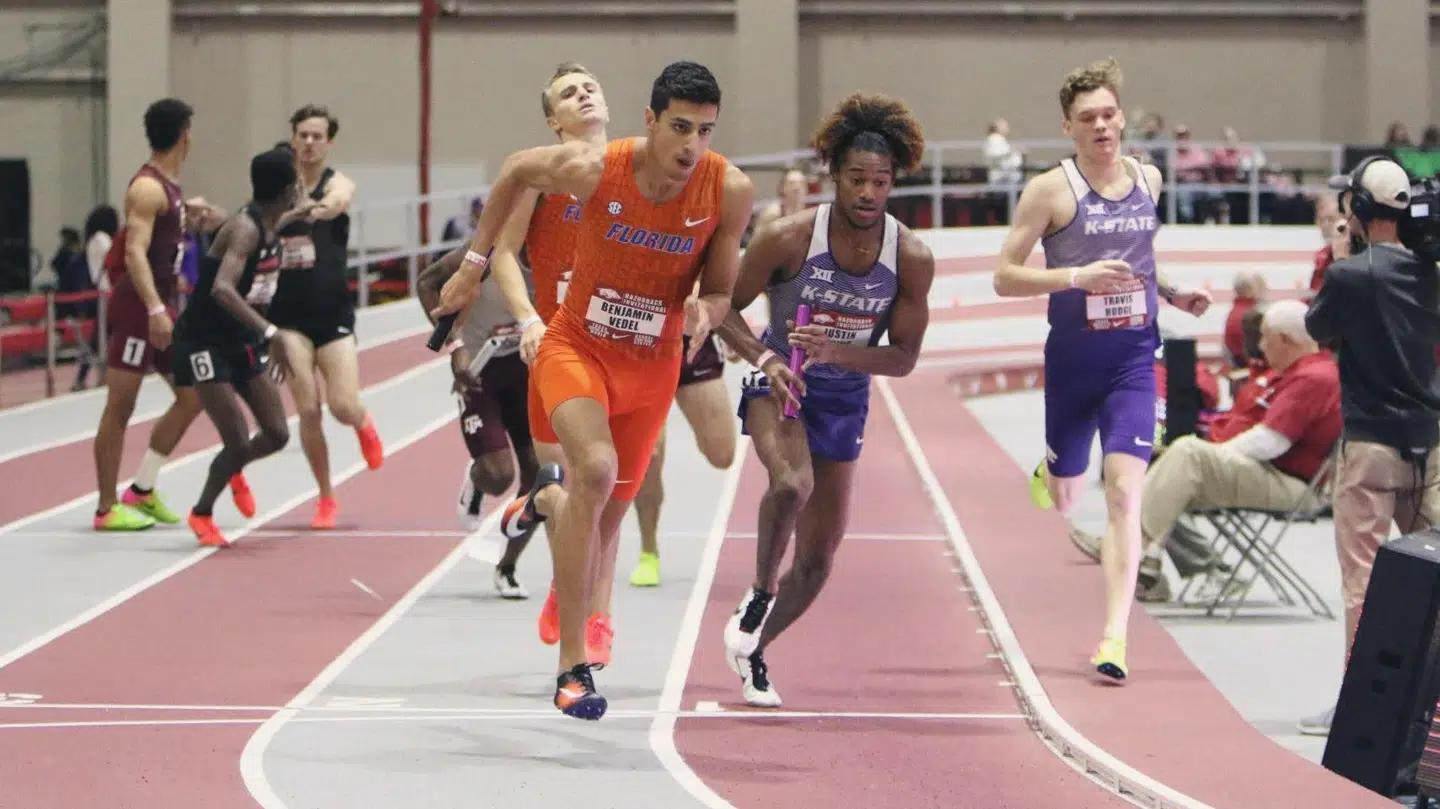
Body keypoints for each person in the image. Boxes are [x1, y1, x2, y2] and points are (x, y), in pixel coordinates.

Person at [433, 60, 754, 720]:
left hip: (654, 361)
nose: (692, 144)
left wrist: (707, 311)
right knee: (597, 471)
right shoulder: (593, 169)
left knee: (603, 510)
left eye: (705, 130)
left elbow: (721, 288)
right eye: (680, 127)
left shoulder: (727, 190)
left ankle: (544, 505)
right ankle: (574, 666)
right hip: (573, 344)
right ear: (650, 121)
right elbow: (518, 169)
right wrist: (472, 272)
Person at [991, 57, 1211, 681]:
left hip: (1134, 362)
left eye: (1110, 114)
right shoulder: (1049, 191)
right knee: (1065, 490)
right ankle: (1055, 463)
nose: (1102, 126)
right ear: (1069, 127)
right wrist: (1073, 277)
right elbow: (1004, 276)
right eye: (1087, 118)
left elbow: (1139, 259)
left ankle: (1114, 635)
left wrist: (1171, 293)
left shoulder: (1150, 179)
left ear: (1123, 117)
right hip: (1072, 362)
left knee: (1123, 492)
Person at [714, 92, 934, 708]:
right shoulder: (786, 238)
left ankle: (755, 645)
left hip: (843, 395)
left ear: (895, 183)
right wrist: (768, 358)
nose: (868, 192)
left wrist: (838, 354)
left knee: (817, 561)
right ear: (832, 175)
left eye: (881, 182)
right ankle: (759, 591)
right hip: (779, 379)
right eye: (857, 179)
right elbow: (721, 308)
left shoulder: (910, 258)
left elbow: (904, 358)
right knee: (791, 485)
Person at [1298, 156, 1440, 737]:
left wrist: (1338, 258)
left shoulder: (1352, 275)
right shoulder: (1429, 271)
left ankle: (1362, 706)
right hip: (1429, 446)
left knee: (1363, 582)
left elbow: (1317, 329)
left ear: (1357, 209)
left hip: (1371, 450)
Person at [91, 98, 252, 531]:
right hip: (139, 310)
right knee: (120, 407)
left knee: (193, 395)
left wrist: (188, 218)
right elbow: (134, 253)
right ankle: (106, 509)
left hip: (162, 308)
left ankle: (141, 489)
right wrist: (155, 308)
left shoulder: (170, 188)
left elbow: (164, 239)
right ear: (185, 135)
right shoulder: (147, 188)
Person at [173, 149, 306, 547]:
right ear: (285, 191)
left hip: (240, 340)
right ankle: (201, 513)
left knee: (278, 434)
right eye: (297, 183)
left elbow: (307, 207)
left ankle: (231, 466)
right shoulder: (245, 229)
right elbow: (222, 289)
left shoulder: (273, 221)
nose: (301, 188)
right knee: (235, 438)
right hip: (204, 342)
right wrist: (272, 333)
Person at [268, 104, 384, 530]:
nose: (310, 142)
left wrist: (304, 212)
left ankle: (363, 422)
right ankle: (326, 497)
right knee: (308, 410)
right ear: (294, 138)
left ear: (328, 142)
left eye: (318, 136)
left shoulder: (339, 184)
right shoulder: (277, 186)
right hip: (288, 318)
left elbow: (336, 205)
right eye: (303, 135)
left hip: (332, 312)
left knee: (341, 404)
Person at [416, 246, 540, 599]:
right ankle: (477, 477)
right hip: (479, 368)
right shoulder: (487, 249)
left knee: (539, 474)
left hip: (528, 366)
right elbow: (426, 281)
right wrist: (454, 345)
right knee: (499, 476)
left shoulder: (566, 248)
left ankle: (508, 566)